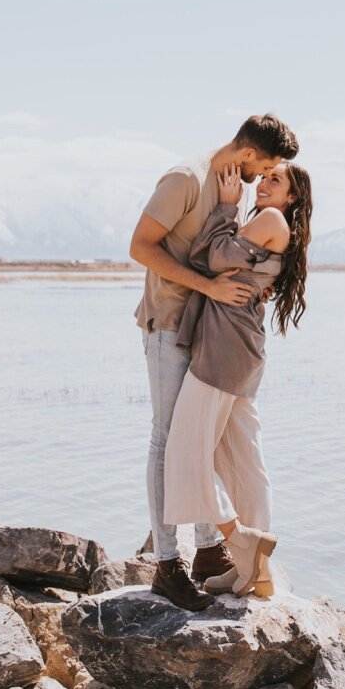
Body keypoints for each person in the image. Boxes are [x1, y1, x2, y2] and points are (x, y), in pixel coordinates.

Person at [129, 114, 299, 610]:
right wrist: (209, 286)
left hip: (204, 333)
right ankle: (165, 562)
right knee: (168, 438)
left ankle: (207, 551)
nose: (264, 176)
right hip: (167, 323)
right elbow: (140, 246)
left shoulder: (235, 191)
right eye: (266, 166)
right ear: (249, 156)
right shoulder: (187, 179)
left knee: (198, 440)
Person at [161, 159, 311, 598]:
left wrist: (226, 208)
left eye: (275, 179)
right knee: (243, 458)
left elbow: (210, 257)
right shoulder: (271, 224)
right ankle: (257, 571)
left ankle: (241, 543)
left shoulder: (269, 218)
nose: (263, 183)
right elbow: (226, 263)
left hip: (225, 350)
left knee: (186, 452)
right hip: (241, 349)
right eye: (264, 175)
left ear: (292, 196)